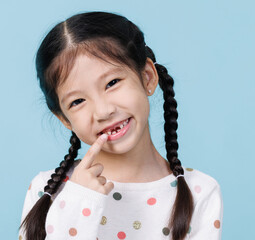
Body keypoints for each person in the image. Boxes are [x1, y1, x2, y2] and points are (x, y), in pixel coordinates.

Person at [18, 11, 223, 240]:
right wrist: (79, 204)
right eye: (77, 101)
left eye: (112, 83)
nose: (103, 111)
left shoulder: (200, 192)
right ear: (64, 119)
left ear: (147, 77)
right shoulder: (46, 191)